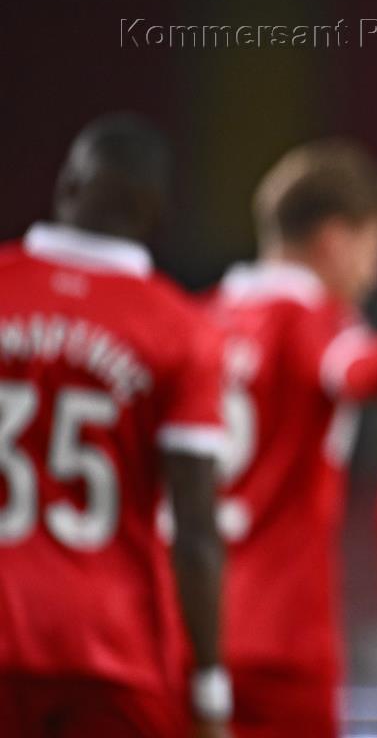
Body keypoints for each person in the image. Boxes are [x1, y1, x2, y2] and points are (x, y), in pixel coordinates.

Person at [0, 114, 230, 738]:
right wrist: (209, 685)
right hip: (109, 647)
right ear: (156, 211)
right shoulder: (181, 327)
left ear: (67, 185)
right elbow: (195, 528)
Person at [206, 138, 377, 738]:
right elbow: (361, 373)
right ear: (335, 239)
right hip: (281, 629)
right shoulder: (311, 318)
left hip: (186, 619)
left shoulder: (201, 316)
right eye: (376, 245)